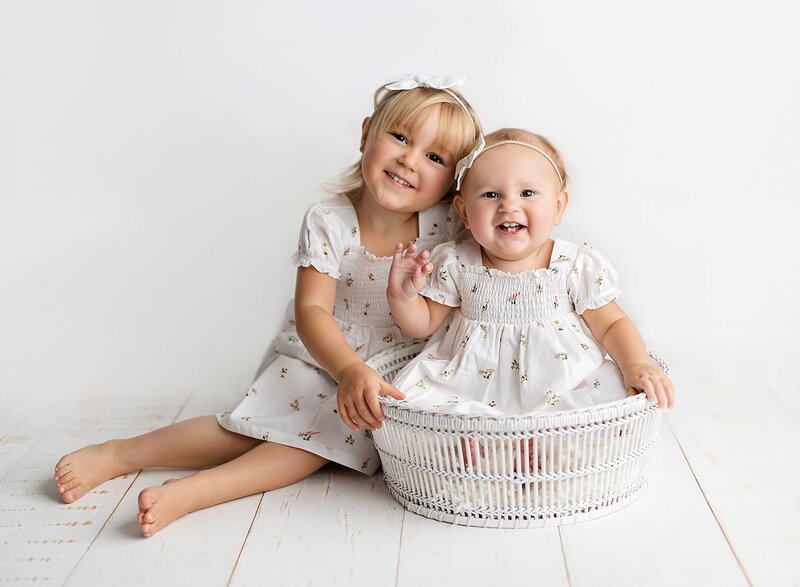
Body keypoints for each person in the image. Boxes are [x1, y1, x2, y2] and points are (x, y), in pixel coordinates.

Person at [54, 75, 481, 537]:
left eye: (434, 157)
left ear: (453, 185)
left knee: (322, 439)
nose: (408, 159)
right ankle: (120, 453)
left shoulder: (449, 229)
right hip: (325, 352)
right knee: (249, 427)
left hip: (399, 369)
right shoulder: (330, 221)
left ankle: (195, 490)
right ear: (366, 134)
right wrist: (347, 369)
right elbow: (312, 311)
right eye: (399, 137)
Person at [386, 128, 675, 430]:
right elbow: (423, 325)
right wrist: (404, 297)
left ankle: (547, 449)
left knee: (608, 394)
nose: (509, 206)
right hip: (471, 387)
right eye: (490, 194)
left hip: (559, 386)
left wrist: (636, 364)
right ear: (464, 212)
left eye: (527, 193)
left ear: (558, 207)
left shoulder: (573, 265)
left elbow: (612, 323)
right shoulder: (457, 263)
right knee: (421, 405)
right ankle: (478, 447)